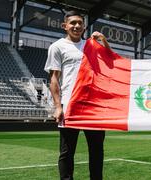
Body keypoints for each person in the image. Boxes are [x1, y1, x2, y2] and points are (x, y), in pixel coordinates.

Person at [44, 10, 110, 180]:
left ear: (84, 26)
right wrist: (58, 106)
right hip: (70, 105)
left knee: (97, 151)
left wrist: (104, 41)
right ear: (64, 26)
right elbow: (53, 79)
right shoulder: (57, 47)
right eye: (73, 23)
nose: (77, 26)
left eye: (80, 23)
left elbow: (111, 61)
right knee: (67, 152)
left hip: (93, 106)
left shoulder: (92, 45)